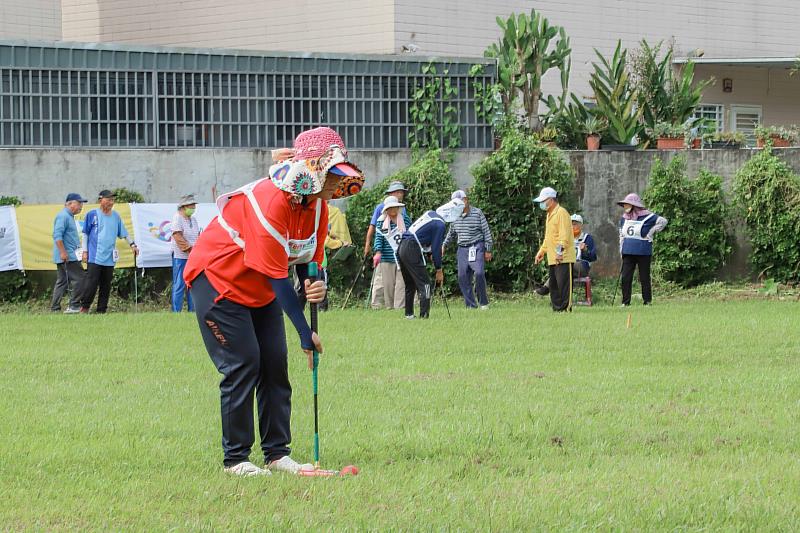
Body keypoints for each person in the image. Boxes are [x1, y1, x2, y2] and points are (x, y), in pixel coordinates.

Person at [185, 127, 364, 477]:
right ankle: (236, 459)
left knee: (274, 366)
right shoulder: (270, 201)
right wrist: (304, 333)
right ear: (312, 171)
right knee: (243, 363)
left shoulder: (318, 207)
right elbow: (278, 276)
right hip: (218, 282)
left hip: (261, 289)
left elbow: (308, 260)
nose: (335, 185)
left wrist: (316, 284)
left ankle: (277, 454)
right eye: (332, 175)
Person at [397, 198, 464, 319]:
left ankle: (409, 315)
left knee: (410, 284)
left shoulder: (430, 213)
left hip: (402, 246)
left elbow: (423, 236)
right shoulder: (440, 224)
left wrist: (429, 254)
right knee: (425, 284)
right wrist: (439, 269)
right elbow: (436, 248)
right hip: (412, 248)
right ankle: (424, 316)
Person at [80, 190, 138, 313]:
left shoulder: (116, 216)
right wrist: (85, 251)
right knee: (91, 284)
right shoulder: (92, 214)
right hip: (94, 256)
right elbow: (85, 234)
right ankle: (84, 307)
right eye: (108, 199)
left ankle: (101, 310)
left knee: (106, 285)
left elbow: (124, 233)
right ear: (101, 200)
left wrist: (132, 245)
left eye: (112, 200)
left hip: (109, 257)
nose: (111, 202)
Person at [443, 189, 493, 310]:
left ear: (466, 200)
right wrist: (444, 245)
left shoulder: (477, 213)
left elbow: (486, 231)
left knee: (479, 273)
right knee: (462, 276)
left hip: (477, 246)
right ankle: (470, 304)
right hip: (462, 248)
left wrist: (488, 249)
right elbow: (451, 234)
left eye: (461, 201)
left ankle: (483, 302)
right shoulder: (454, 216)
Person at [617, 193, 668, 306]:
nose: (625, 207)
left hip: (643, 251)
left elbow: (663, 221)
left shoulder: (648, 216)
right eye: (624, 205)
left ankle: (647, 301)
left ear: (634, 205)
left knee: (644, 277)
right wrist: (621, 249)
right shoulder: (624, 219)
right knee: (626, 277)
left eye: (627, 205)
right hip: (628, 251)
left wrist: (651, 231)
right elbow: (621, 234)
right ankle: (625, 302)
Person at [363, 180, 408, 309]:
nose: (400, 194)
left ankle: (400, 307)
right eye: (397, 192)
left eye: (401, 192)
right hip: (386, 255)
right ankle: (380, 305)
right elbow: (375, 231)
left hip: (401, 255)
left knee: (401, 282)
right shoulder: (380, 212)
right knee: (383, 281)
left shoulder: (404, 214)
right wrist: (373, 248)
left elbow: (408, 233)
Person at [533, 187, 576, 312]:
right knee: (554, 285)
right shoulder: (549, 215)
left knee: (564, 285)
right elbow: (549, 237)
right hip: (552, 257)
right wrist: (541, 251)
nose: (541, 203)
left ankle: (565, 308)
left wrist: (559, 252)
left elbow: (563, 236)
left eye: (543, 200)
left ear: (551, 200)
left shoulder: (561, 213)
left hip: (563, 257)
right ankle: (557, 309)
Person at [535, 213, 597, 296]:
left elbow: (593, 257)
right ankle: (558, 298)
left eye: (575, 224)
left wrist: (585, 250)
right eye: (570, 224)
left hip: (581, 266)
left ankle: (547, 288)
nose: (572, 227)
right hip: (567, 264)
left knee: (564, 267)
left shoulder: (587, 238)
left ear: (581, 225)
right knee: (559, 270)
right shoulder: (565, 238)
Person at [50, 193, 88, 313]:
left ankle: (55, 308)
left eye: (82, 203)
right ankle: (74, 306)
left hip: (68, 255)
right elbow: (57, 236)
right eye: (79, 203)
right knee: (81, 278)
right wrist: (63, 252)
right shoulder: (63, 216)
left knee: (62, 282)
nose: (81, 206)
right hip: (68, 256)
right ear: (69, 203)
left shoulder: (69, 216)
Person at [373, 196, 412, 310]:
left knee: (401, 284)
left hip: (403, 257)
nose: (393, 211)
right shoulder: (381, 221)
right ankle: (389, 307)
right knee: (388, 285)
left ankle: (400, 307)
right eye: (390, 208)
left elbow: (410, 236)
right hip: (387, 258)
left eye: (395, 208)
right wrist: (378, 252)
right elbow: (379, 238)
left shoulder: (405, 220)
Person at [170, 194, 200, 312]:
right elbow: (178, 236)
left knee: (191, 285)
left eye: (194, 205)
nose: (193, 207)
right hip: (180, 256)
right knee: (179, 284)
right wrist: (189, 249)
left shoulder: (193, 219)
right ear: (183, 207)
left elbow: (197, 236)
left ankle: (192, 310)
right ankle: (176, 311)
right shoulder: (177, 218)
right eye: (191, 205)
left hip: (193, 257)